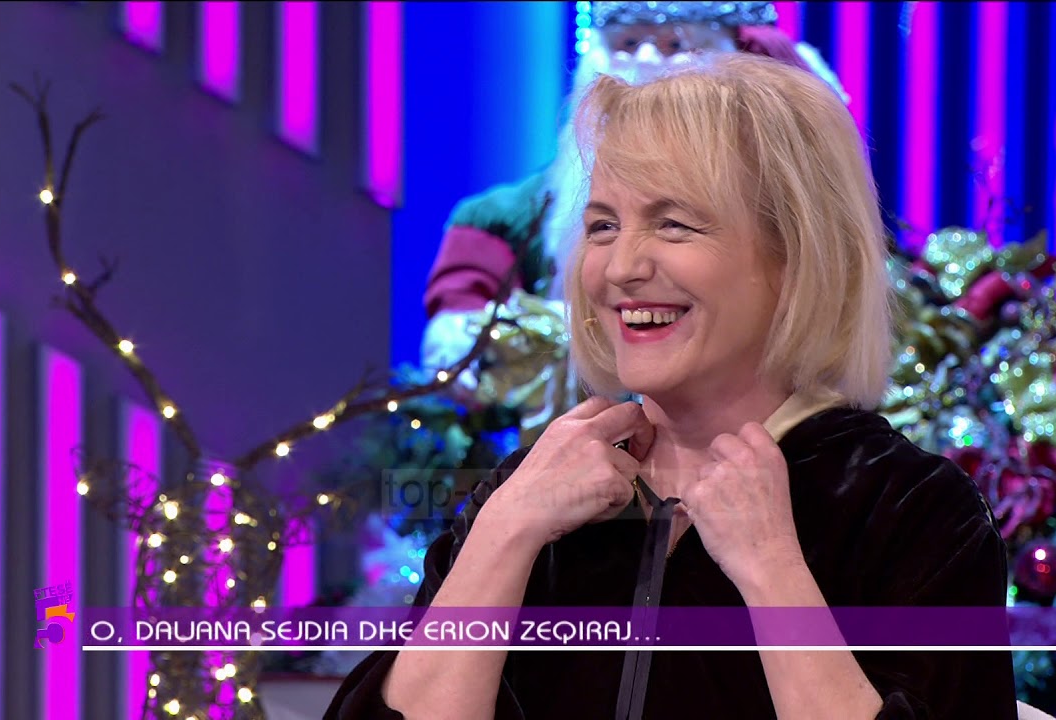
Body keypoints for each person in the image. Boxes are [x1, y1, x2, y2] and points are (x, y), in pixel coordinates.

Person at [326, 51, 1016, 719]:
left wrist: (772, 570)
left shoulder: (908, 508)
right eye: (603, 225)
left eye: (673, 224)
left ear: (796, 255)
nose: (620, 267)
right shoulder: (531, 487)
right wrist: (505, 531)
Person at [419, 1, 848, 435]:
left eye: (675, 45)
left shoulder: (868, 471)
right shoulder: (512, 213)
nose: (645, 60)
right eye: (603, 227)